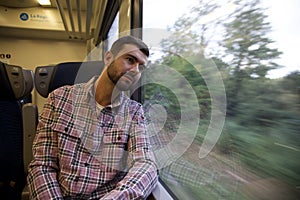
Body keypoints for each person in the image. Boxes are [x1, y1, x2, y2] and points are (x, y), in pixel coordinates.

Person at [27, 36, 158, 199]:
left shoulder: (134, 112)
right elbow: (42, 165)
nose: (135, 70)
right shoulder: (60, 98)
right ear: (108, 57)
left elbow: (146, 163)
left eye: (141, 67)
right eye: (130, 60)